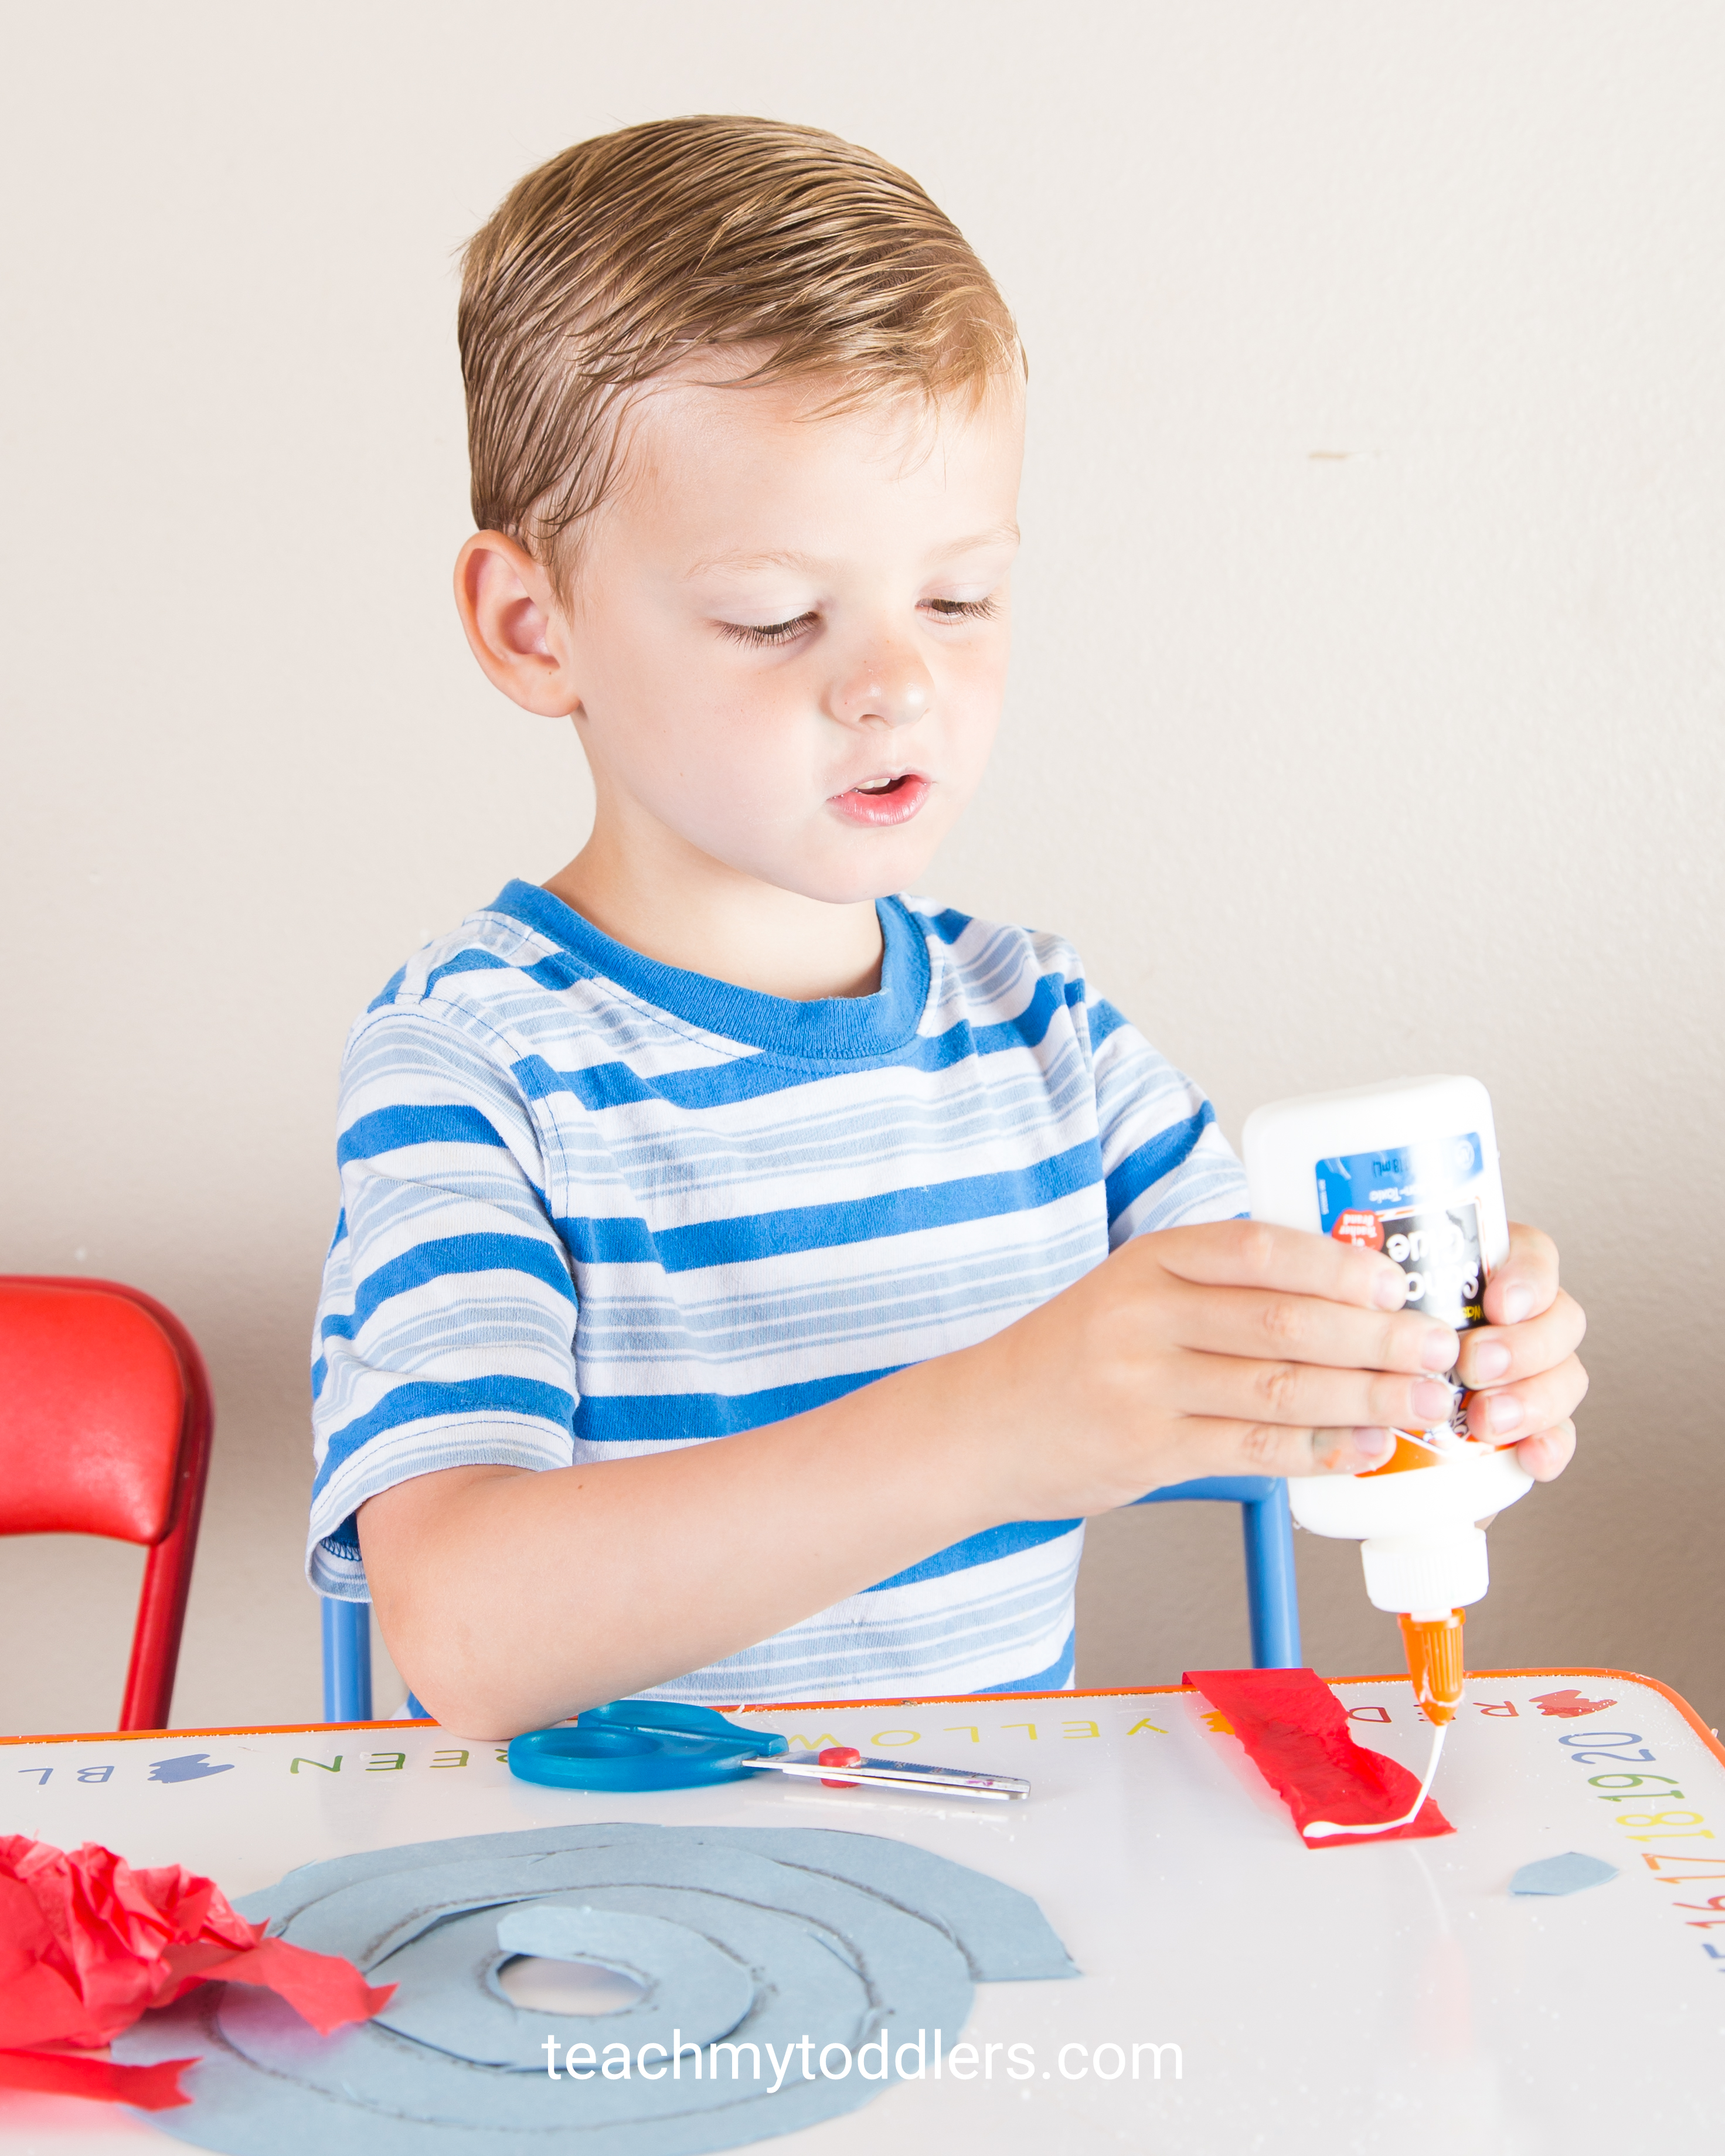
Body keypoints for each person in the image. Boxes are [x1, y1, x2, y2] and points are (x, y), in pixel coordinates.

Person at [308, 117, 1585, 1737]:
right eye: (777, 615)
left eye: (959, 598)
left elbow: (1274, 1347)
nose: (895, 683)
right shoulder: (477, 1060)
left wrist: (1441, 1349)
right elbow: (468, 1633)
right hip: (603, 1935)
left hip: (983, 1911)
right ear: (530, 624)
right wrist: (997, 1424)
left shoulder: (1044, 1031)